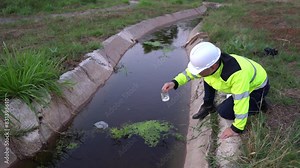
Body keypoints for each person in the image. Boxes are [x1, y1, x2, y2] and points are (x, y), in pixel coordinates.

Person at [162, 42, 270, 139]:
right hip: (243, 82)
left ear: (213, 67)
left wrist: (236, 128)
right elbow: (189, 73)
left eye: (199, 71)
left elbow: (241, 101)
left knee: (224, 111)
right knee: (207, 78)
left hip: (257, 88)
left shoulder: (236, 75)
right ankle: (208, 105)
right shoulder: (212, 64)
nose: (196, 73)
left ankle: (259, 104)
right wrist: (174, 82)